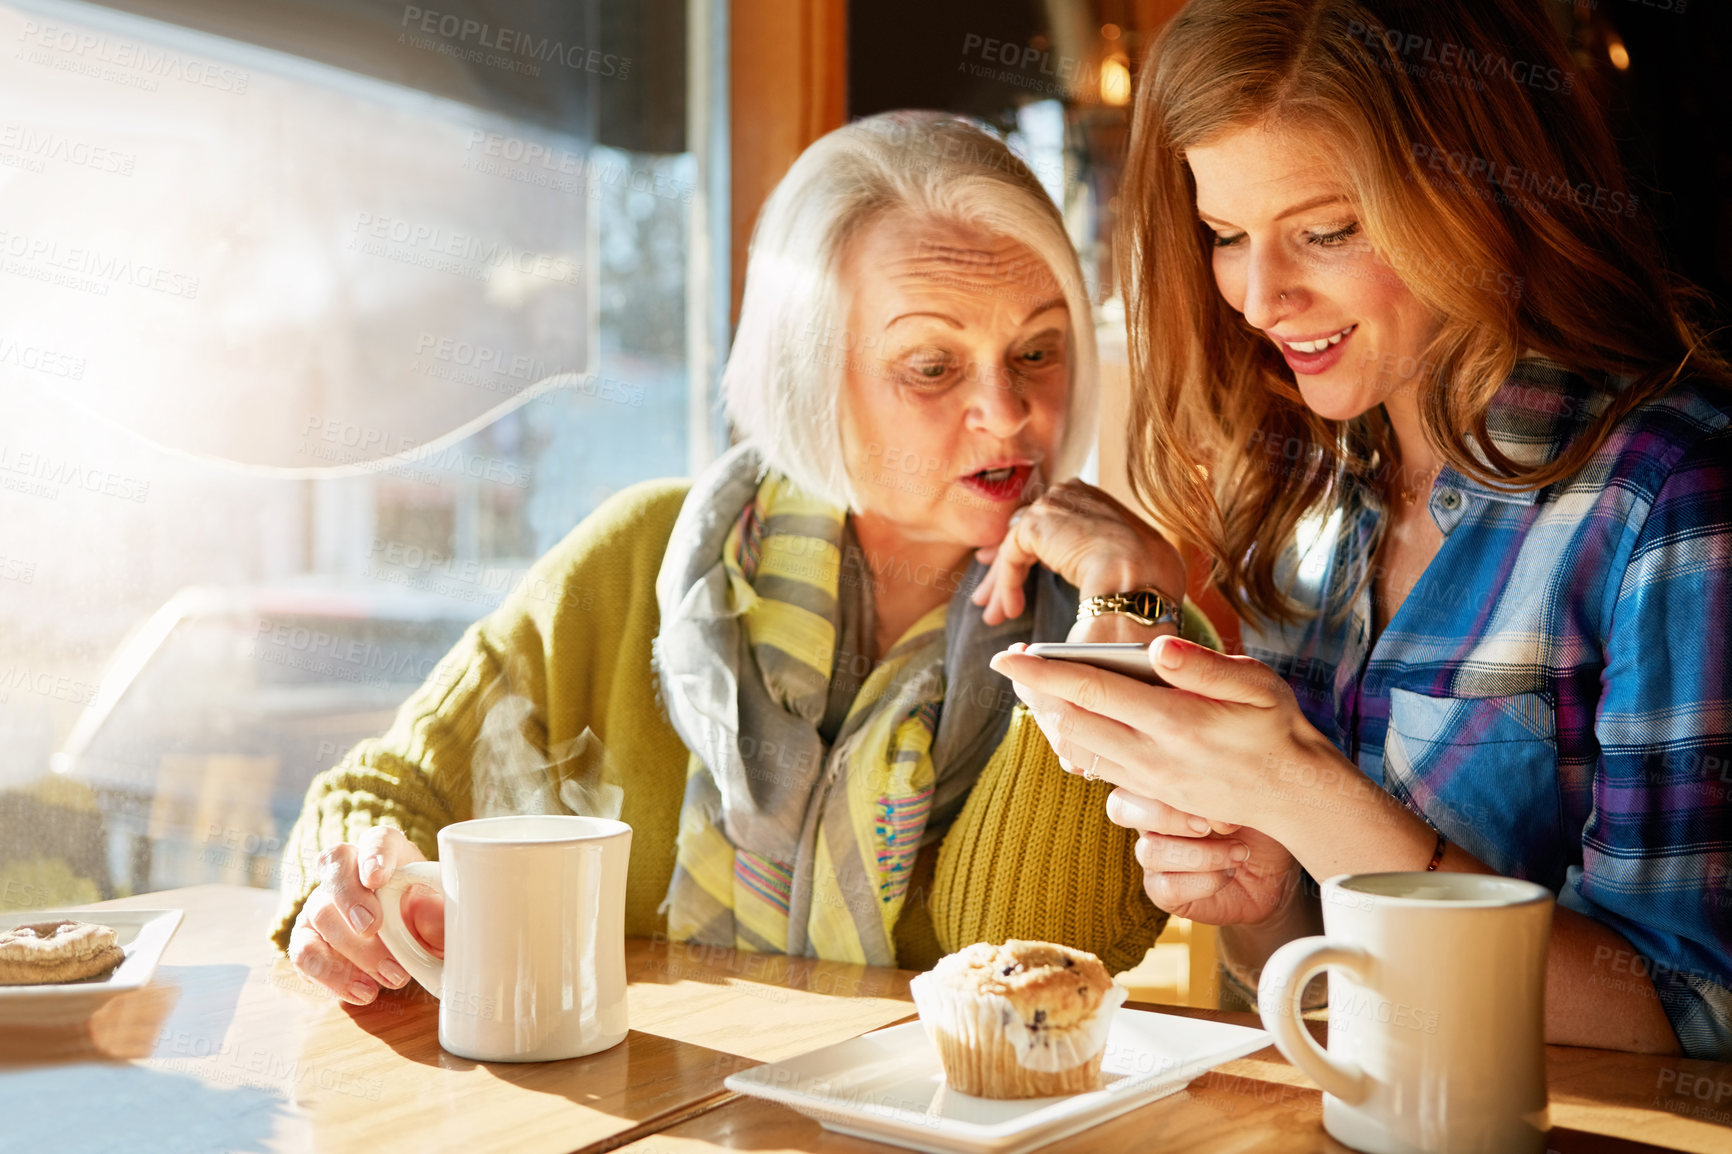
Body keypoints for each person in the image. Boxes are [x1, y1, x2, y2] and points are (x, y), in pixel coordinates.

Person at [272, 111, 1218, 1005]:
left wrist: (1119, 622)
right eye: (932, 366)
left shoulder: (1142, 627)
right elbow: (382, 792)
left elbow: (1026, 971)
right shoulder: (635, 558)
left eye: (1039, 352)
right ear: (809, 373)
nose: (1009, 413)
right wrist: (351, 886)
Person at [987, 0, 1731, 1058]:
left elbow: (1691, 1026)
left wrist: (1299, 785)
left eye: (1326, 231)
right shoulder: (1309, 500)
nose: (1258, 295)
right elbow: (1323, 991)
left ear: (1481, 190)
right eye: (1225, 235)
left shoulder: (1666, 502)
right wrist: (1258, 892)